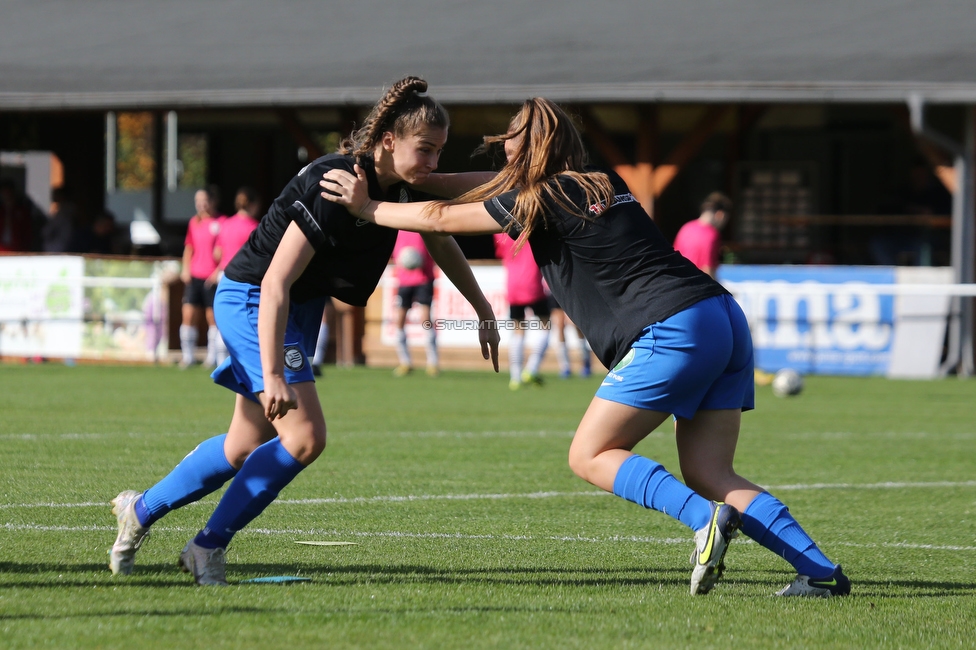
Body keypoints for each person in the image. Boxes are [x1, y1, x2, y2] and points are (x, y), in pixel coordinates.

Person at [319, 97, 851, 598]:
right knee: (712, 473)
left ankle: (703, 520)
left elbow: (439, 216)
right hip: (721, 316)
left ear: (531, 151)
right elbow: (460, 187)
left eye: (511, 145)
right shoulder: (601, 180)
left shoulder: (541, 197)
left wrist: (367, 208)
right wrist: (407, 177)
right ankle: (820, 572)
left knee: (590, 454)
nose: (505, 154)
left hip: (671, 325)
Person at [108, 76, 500, 586]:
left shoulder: (398, 185)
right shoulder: (335, 182)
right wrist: (272, 372)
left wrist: (483, 308)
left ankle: (139, 510)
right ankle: (205, 548)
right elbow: (273, 282)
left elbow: (441, 233)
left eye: (439, 151)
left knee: (242, 447)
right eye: (424, 150)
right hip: (255, 299)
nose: (432, 163)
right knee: (305, 436)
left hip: (295, 308)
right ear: (387, 142)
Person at [212, 187, 262, 364]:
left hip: (223, 276)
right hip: (244, 279)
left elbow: (217, 253)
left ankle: (219, 361)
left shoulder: (225, 224)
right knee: (245, 322)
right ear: (253, 205)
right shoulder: (254, 227)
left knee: (222, 323)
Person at [494, 233, 550, 389]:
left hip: (512, 285)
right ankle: (531, 369)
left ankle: (515, 377)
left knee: (518, 331)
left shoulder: (501, 231)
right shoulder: (532, 228)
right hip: (532, 284)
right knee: (545, 327)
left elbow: (500, 252)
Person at [179, 186, 222, 368]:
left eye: (204, 200)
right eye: (198, 201)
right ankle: (187, 356)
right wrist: (185, 269)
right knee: (188, 315)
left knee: (212, 318)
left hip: (211, 278)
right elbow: (189, 247)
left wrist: (218, 270)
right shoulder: (193, 223)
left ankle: (212, 356)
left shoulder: (221, 222)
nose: (201, 205)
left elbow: (225, 251)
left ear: (212, 201)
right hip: (195, 275)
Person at [390, 230, 439, 377]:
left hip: (424, 278)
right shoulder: (396, 228)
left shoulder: (421, 227)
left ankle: (433, 363)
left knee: (425, 319)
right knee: (399, 320)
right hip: (404, 279)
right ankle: (405, 362)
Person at [672, 192, 731, 279]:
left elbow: (674, 259)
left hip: (679, 282)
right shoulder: (712, 235)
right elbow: (708, 270)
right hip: (697, 287)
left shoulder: (686, 228)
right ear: (720, 215)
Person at [548, 297, 592, 379]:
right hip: (556, 291)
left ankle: (586, 362)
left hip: (571, 291)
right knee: (560, 325)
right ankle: (565, 366)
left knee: (577, 324)